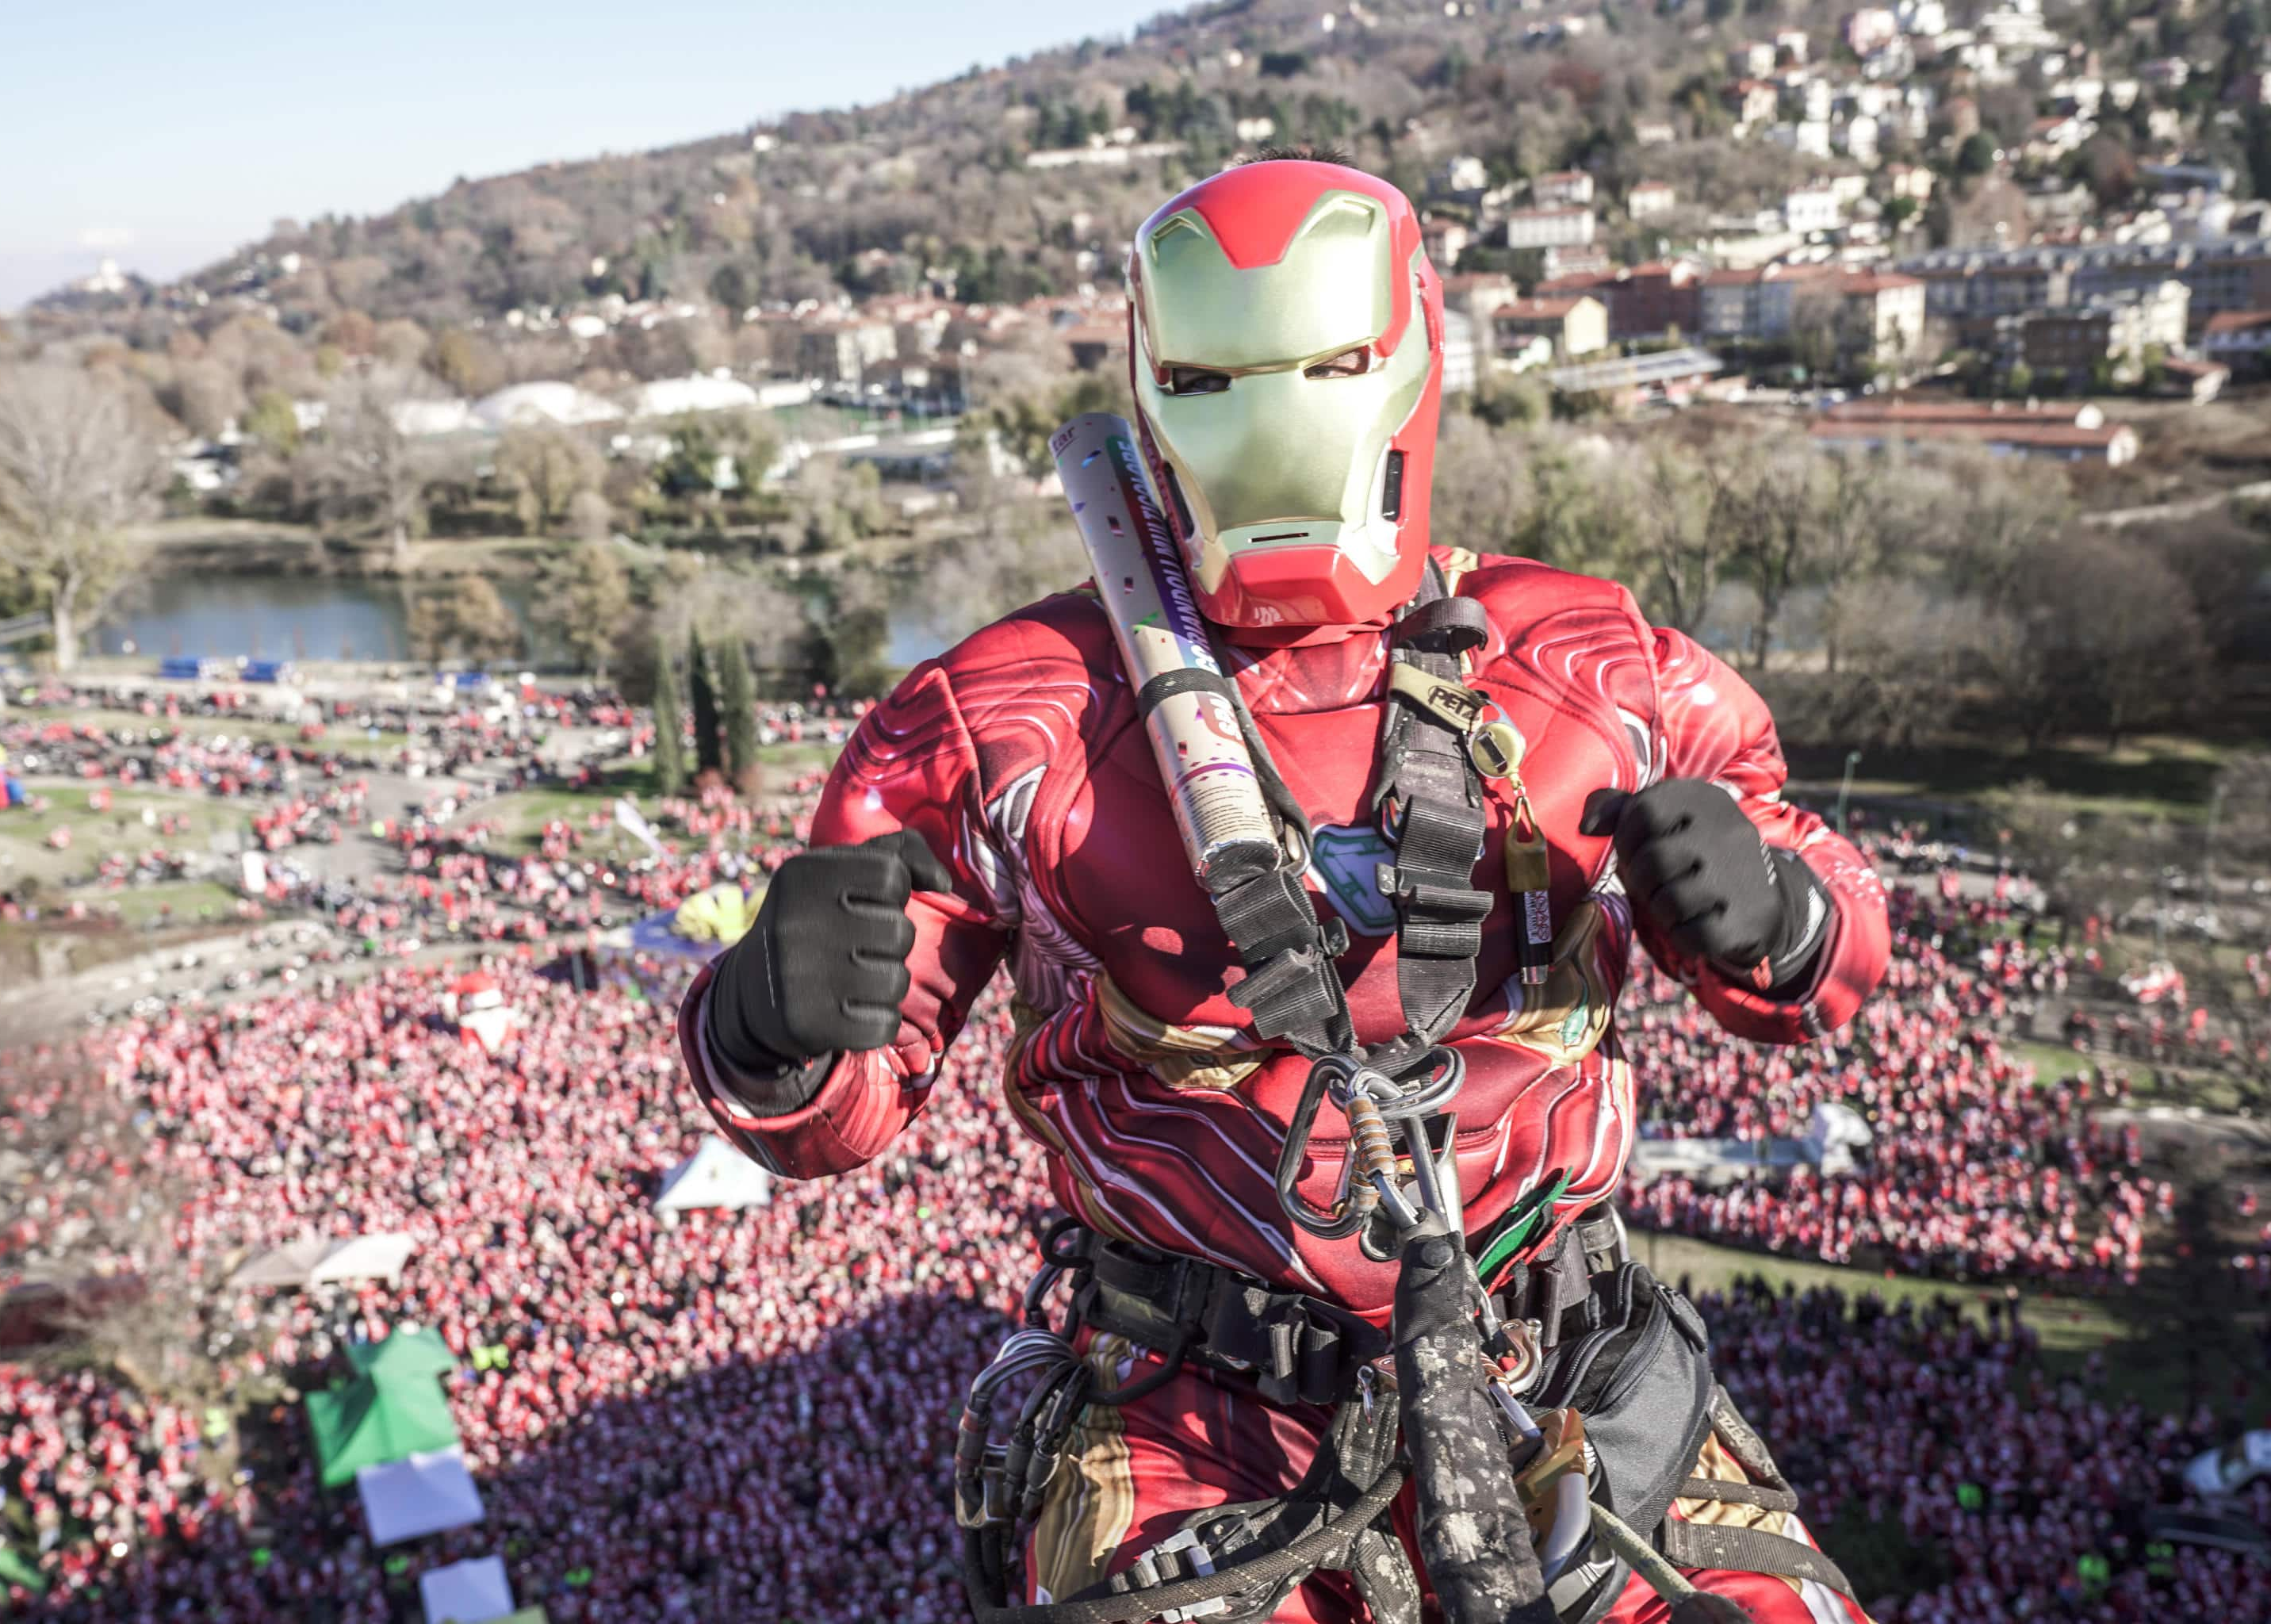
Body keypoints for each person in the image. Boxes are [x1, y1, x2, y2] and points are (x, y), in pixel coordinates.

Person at [680, 149, 1890, 1624]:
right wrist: (770, 1017)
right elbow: (834, 1112)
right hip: (1197, 1429)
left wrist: (1778, 909)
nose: (1269, 431)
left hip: (1566, 1374)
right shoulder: (1005, 721)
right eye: (1215, 382)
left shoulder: (1592, 664)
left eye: (1319, 367)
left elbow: (1834, 952)